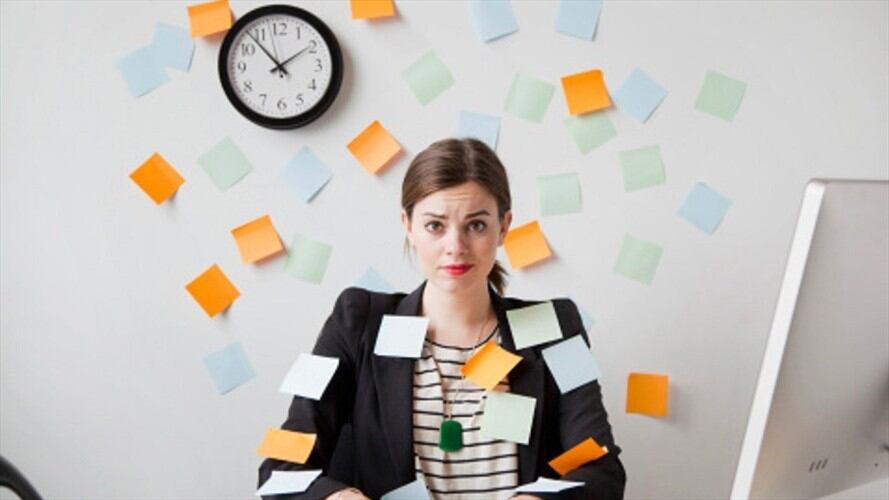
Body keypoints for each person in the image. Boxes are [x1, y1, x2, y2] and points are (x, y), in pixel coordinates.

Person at [258, 138, 626, 499]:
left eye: (476, 225)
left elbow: (602, 471)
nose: (456, 246)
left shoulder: (555, 328)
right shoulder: (357, 320)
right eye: (435, 225)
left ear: (505, 226)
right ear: (408, 225)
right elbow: (281, 469)